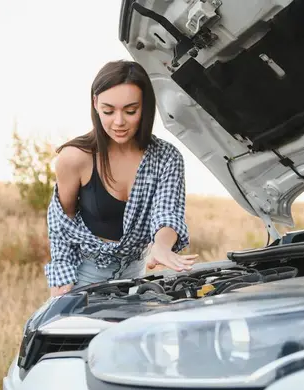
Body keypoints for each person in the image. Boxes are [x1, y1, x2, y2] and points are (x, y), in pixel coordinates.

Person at [45, 60, 198, 297]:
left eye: (130, 111)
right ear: (95, 104)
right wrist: (61, 270)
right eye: (108, 111)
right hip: (84, 276)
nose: (118, 122)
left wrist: (161, 247)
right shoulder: (74, 158)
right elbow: (61, 220)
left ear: (145, 107)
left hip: (136, 275)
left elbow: (168, 212)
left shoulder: (167, 158)